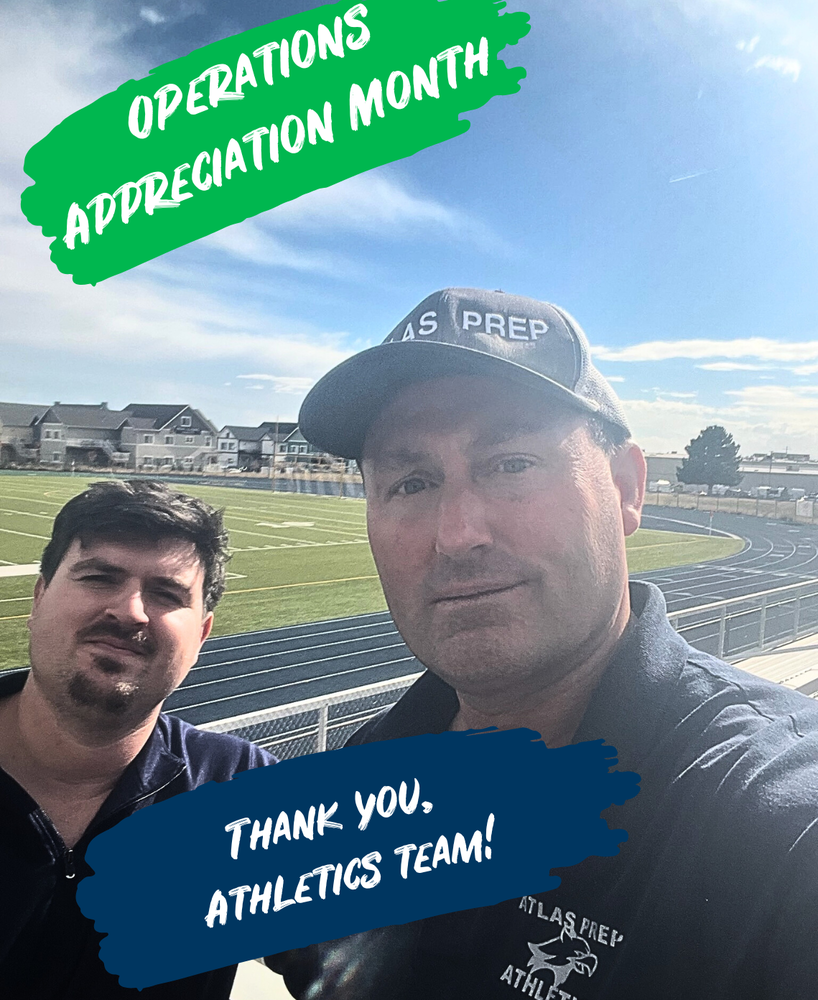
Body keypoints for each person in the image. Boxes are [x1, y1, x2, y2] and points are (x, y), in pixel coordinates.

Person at [269, 287, 818, 999]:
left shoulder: (771, 823)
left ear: (625, 487)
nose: (457, 533)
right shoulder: (370, 772)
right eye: (411, 482)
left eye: (511, 464)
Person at [0, 479, 278, 1000]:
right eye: (99, 577)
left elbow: (395, 949)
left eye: (167, 594)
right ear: (38, 598)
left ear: (202, 636)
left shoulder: (242, 790)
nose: (130, 611)